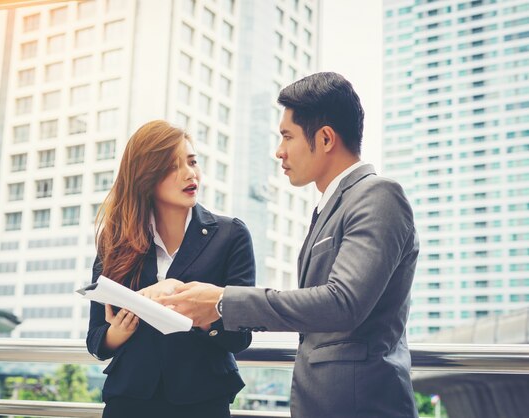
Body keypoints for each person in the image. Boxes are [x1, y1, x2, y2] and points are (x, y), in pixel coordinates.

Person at [158, 72, 420, 418]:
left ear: (326, 138)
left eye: (287, 136)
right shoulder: (329, 206)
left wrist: (223, 301)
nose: (279, 151)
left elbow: (343, 302)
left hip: (364, 406)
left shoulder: (377, 195)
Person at [86, 120, 255, 418]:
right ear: (146, 176)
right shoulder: (116, 240)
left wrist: (199, 312)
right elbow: (97, 340)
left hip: (202, 401)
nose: (190, 173)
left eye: (192, 162)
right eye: (173, 166)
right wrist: (118, 331)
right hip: (129, 401)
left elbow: (239, 338)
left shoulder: (231, 235)